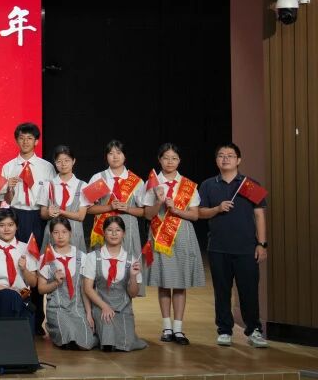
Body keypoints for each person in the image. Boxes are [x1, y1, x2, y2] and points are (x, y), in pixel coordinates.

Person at [197, 143, 268, 348]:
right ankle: (224, 330)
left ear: (238, 160)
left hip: (246, 248)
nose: (225, 159)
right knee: (222, 292)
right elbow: (200, 212)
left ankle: (254, 330)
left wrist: (262, 244)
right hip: (218, 248)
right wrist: (217, 209)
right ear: (216, 160)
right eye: (221, 155)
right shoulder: (208, 185)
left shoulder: (249, 184)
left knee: (249, 291)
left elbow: (259, 215)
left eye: (230, 155)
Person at [142, 143, 204, 345]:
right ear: (159, 160)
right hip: (159, 235)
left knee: (179, 283)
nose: (170, 162)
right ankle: (167, 327)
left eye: (174, 158)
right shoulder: (152, 183)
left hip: (182, 234)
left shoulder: (188, 185)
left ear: (179, 161)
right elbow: (148, 214)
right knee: (164, 281)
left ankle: (178, 329)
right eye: (166, 158)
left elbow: (195, 215)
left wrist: (176, 209)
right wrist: (159, 202)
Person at [1, 122, 55, 334]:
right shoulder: (9, 167)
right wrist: (10, 189)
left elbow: (51, 196)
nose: (25, 142)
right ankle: (17, 312)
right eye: (22, 138)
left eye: (29, 138)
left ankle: (37, 318)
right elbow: (6, 199)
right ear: (17, 140)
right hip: (15, 214)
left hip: (37, 216)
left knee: (36, 265)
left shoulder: (46, 167)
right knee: (17, 263)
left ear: (36, 141)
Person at [85, 140, 146, 295]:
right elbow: (88, 209)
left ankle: (125, 306)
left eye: (118, 153)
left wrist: (128, 208)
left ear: (125, 156)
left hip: (128, 232)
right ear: (106, 157)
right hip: (103, 232)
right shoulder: (99, 178)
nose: (115, 156)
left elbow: (144, 212)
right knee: (101, 272)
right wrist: (109, 207)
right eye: (111, 153)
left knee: (127, 273)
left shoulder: (136, 181)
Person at [82, 216, 146, 352]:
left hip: (123, 308)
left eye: (118, 230)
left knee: (127, 343)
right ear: (104, 233)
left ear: (124, 233)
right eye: (110, 230)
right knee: (108, 339)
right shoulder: (93, 257)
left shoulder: (131, 260)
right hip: (101, 306)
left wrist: (133, 276)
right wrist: (104, 306)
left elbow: (133, 294)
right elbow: (87, 288)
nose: (114, 234)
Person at [37, 216, 95, 350]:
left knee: (86, 342)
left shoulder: (82, 257)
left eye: (64, 232)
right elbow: (41, 289)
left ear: (70, 233)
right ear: (51, 234)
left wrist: (88, 313)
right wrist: (55, 283)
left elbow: (84, 289)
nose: (60, 236)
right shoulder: (45, 258)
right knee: (68, 337)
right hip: (57, 308)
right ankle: (54, 328)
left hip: (77, 308)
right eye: (56, 232)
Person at [0, 210, 37, 335]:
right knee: (10, 297)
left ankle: (5, 331)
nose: (6, 229)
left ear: (16, 226)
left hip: (22, 292)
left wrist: (24, 269)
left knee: (28, 332)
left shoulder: (25, 248)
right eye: (2, 225)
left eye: (10, 225)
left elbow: (33, 283)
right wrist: (9, 290)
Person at [37, 145, 89, 252]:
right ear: (55, 163)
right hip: (53, 234)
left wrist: (60, 212)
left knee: (76, 261)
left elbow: (81, 216)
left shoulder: (83, 186)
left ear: (73, 161)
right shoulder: (48, 185)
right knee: (51, 262)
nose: (63, 164)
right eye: (59, 161)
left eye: (67, 160)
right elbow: (43, 214)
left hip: (74, 233)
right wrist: (49, 213)